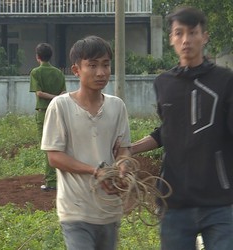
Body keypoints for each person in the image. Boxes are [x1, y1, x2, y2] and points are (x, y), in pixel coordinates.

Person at [131, 6, 233, 250]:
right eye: (179, 33)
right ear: (171, 39)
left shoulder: (225, 80)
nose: (186, 40)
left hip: (219, 201)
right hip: (174, 201)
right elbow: (167, 131)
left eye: (192, 32)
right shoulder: (163, 83)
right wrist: (128, 149)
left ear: (204, 36)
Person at [41, 35, 131, 250]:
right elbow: (54, 157)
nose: (101, 72)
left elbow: (124, 150)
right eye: (92, 65)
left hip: (109, 209)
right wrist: (95, 171)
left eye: (106, 65)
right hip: (75, 210)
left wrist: (122, 168)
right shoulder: (60, 106)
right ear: (76, 70)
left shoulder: (117, 107)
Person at [29, 42, 66, 191]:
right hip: (58, 111)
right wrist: (57, 98)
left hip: (43, 112)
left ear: (37, 57)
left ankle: (51, 181)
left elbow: (39, 93)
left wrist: (52, 97)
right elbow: (64, 93)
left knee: (48, 147)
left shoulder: (35, 73)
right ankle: (60, 178)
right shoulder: (59, 72)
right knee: (59, 145)